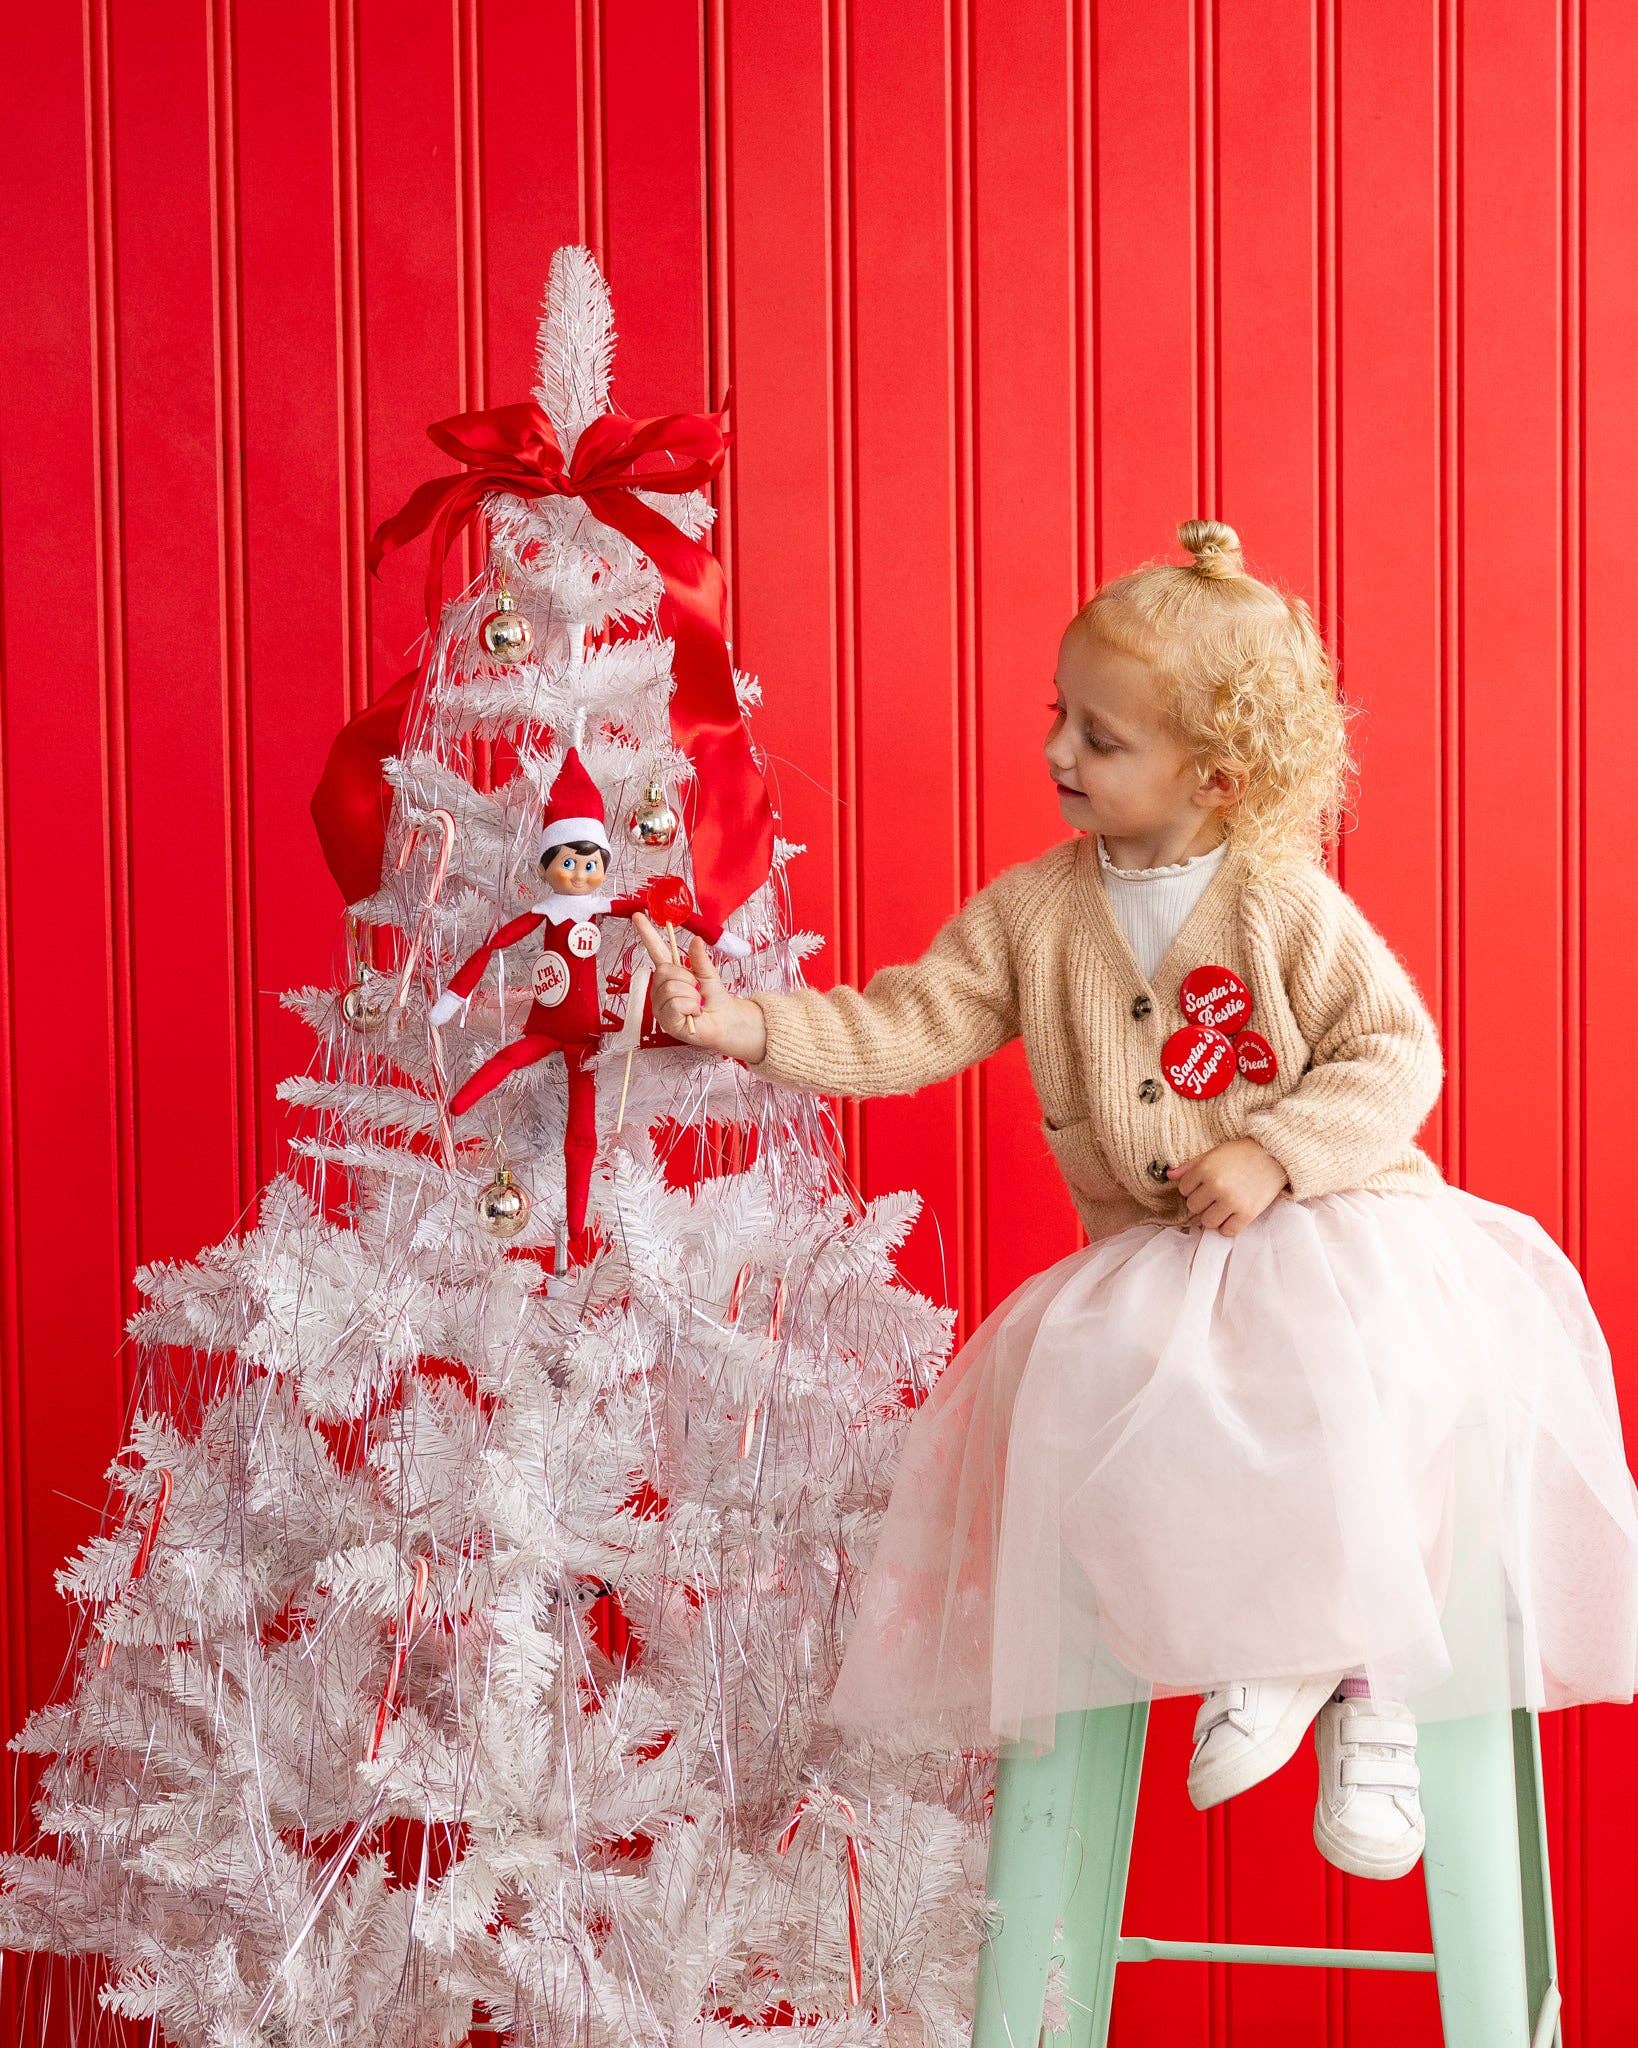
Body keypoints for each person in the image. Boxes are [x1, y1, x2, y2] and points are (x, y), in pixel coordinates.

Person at [632, 519, 1638, 1884]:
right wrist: (742, 1025)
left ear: (1214, 776)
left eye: (1099, 739)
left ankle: (1367, 1694)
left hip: (1336, 1225)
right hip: (1166, 1259)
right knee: (1113, 1395)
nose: (1057, 754)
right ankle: (1259, 1637)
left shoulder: (1280, 899)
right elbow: (907, 1022)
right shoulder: (1033, 914)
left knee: (1359, 1387)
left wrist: (1278, 1149)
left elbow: (1397, 1052)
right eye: (1061, 718)